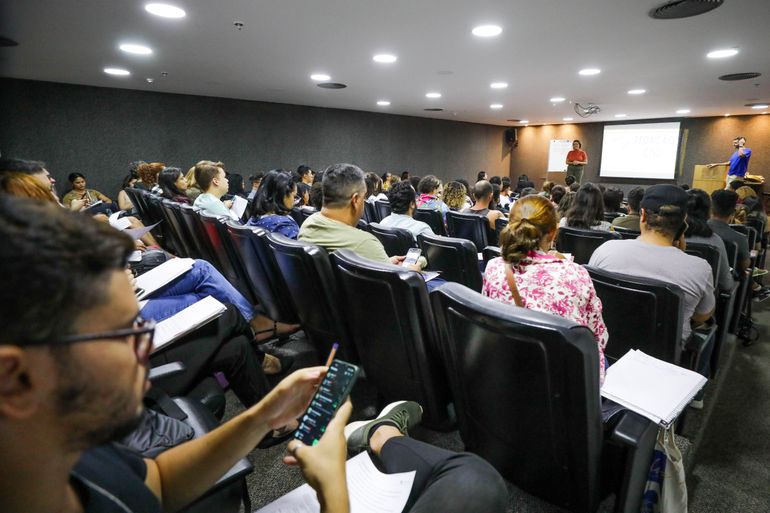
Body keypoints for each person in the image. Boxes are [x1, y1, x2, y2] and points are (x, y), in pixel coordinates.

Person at [589, 185, 715, 375]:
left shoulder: (605, 250)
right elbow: (702, 316)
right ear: (684, 222)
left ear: (642, 216)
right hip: (662, 364)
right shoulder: (699, 268)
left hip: (607, 351)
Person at [483, 195, 609, 384]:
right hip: (565, 380)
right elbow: (597, 337)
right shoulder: (576, 273)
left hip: (510, 367)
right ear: (553, 233)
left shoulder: (493, 266)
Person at [298, 163, 427, 272]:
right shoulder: (364, 243)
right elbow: (399, 285)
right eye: (364, 197)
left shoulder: (307, 224)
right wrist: (410, 272)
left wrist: (384, 261)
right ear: (355, 200)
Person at [684, 189, 735, 293]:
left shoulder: (666, 237)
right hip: (705, 300)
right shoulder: (715, 241)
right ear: (709, 212)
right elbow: (726, 284)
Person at [246, 170, 301, 239]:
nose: (294, 201)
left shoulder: (253, 220)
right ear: (283, 195)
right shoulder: (285, 225)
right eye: (294, 196)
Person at [709, 189, 750, 275]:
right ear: (733, 212)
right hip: (724, 284)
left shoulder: (693, 231)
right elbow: (745, 265)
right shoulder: (740, 238)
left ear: (710, 208)